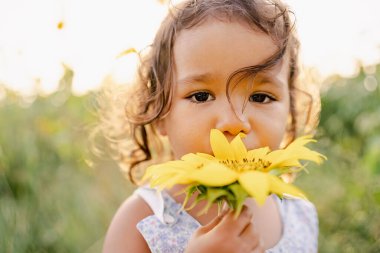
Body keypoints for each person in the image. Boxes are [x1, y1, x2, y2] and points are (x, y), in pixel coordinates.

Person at [101, 0, 320, 252]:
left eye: (260, 97)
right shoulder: (143, 221)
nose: (235, 122)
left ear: (290, 111)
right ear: (159, 112)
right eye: (201, 96)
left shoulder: (299, 216)